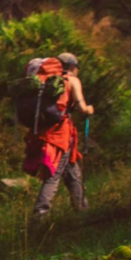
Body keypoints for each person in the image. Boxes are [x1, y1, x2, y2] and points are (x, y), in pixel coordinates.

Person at [34, 52, 95, 221]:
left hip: (48, 132)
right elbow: (82, 108)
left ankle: (82, 210)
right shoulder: (72, 80)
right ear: (73, 67)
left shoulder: (47, 81)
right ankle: (40, 216)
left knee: (73, 172)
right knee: (53, 175)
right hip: (61, 135)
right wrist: (89, 109)